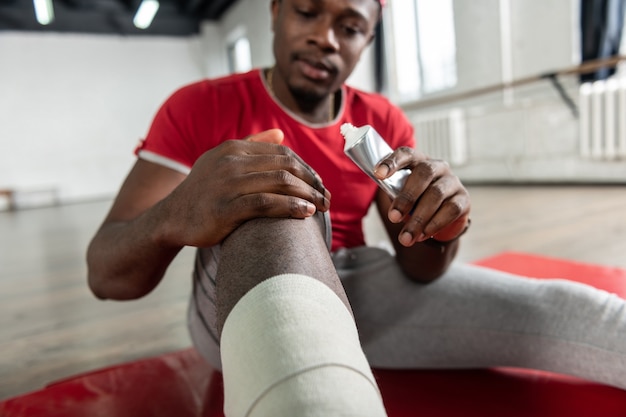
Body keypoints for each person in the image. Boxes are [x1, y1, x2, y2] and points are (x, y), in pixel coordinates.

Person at [87, 0, 626, 414]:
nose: (324, 37)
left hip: (360, 286)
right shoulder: (199, 107)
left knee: (573, 311)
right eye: (306, 11)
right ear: (274, 11)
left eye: (349, 27)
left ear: (368, 39)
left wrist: (442, 224)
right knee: (275, 191)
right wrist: (180, 209)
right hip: (237, 293)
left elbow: (420, 269)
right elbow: (106, 276)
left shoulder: (382, 121)